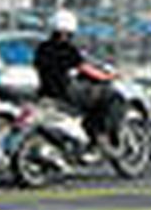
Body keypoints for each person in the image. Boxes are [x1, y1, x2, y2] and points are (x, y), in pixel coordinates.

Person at [34, 9, 121, 148]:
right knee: (111, 96)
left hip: (46, 91)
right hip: (66, 91)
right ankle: (101, 133)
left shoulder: (42, 48)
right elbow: (86, 69)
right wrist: (107, 77)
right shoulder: (67, 49)